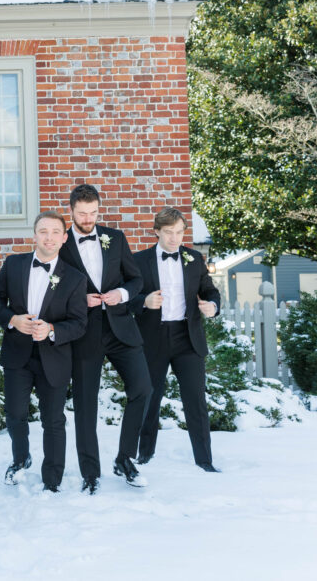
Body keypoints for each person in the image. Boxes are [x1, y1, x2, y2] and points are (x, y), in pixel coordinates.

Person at [58, 184, 152, 493]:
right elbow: (51, 285)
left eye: (94, 213)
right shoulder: (60, 244)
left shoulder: (116, 238)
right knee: (86, 405)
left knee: (143, 388)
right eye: (82, 213)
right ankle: (90, 473)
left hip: (121, 327)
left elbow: (136, 279)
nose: (88, 218)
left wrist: (121, 293)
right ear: (71, 210)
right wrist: (76, 300)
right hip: (84, 333)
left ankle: (124, 459)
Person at [0, 211, 87, 492]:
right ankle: (21, 459)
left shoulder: (75, 278)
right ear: (34, 235)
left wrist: (53, 330)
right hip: (17, 355)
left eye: (55, 232)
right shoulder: (13, 265)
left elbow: (79, 323)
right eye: (43, 231)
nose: (49, 237)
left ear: (64, 238)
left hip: (54, 357)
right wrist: (12, 319)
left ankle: (53, 479)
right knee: (15, 414)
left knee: (54, 420)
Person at [131, 207, 222, 472]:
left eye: (179, 232)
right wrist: (144, 302)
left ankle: (205, 461)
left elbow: (210, 292)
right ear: (156, 231)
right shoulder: (138, 261)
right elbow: (126, 301)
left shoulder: (194, 259)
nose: (174, 238)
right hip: (153, 338)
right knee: (149, 399)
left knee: (195, 401)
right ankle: (144, 456)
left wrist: (212, 307)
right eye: (169, 232)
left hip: (187, 338)